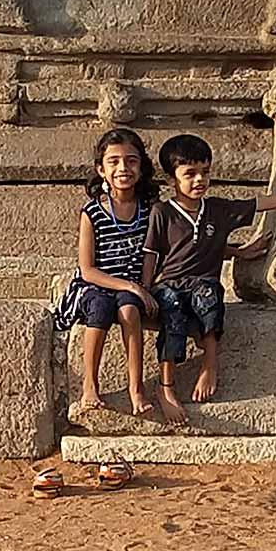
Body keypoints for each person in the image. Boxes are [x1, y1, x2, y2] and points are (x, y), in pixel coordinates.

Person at [142, 134, 276, 423]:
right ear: (172, 179)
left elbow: (257, 204)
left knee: (210, 296)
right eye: (190, 174)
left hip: (203, 282)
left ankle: (209, 363)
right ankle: (166, 387)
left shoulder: (218, 209)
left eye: (205, 172)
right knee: (172, 308)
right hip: (169, 284)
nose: (199, 180)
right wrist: (145, 290)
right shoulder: (162, 212)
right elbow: (151, 254)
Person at [54, 128, 159, 415]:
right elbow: (87, 269)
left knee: (129, 312)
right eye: (113, 162)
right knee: (99, 308)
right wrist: (132, 287)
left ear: (142, 166)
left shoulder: (151, 210)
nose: (123, 168)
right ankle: (90, 384)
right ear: (101, 169)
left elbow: (164, 247)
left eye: (131, 161)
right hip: (97, 285)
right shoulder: (92, 213)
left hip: (133, 287)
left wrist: (142, 286)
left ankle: (136, 388)